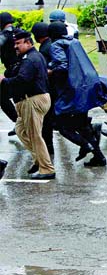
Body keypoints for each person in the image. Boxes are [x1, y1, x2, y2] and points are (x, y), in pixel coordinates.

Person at [48, 21, 107, 167]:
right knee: (83, 126)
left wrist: (50, 70)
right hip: (87, 86)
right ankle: (99, 157)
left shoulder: (55, 45)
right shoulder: (74, 41)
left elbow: (62, 66)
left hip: (73, 90)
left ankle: (85, 145)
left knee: (62, 126)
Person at [0, 30, 55, 179]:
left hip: (32, 100)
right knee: (20, 130)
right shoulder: (29, 57)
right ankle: (39, 159)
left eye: (18, 43)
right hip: (31, 100)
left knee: (35, 135)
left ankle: (47, 169)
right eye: (15, 44)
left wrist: (3, 81)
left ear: (28, 43)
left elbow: (22, 81)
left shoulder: (31, 59)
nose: (16, 47)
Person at [31, 22, 54, 155]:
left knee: (48, 121)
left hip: (51, 89)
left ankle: (48, 148)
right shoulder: (50, 44)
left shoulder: (45, 49)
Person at [0, 12, 19, 136]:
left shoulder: (4, 35)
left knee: (3, 97)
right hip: (23, 69)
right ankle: (20, 123)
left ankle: (19, 123)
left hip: (13, 71)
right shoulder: (20, 32)